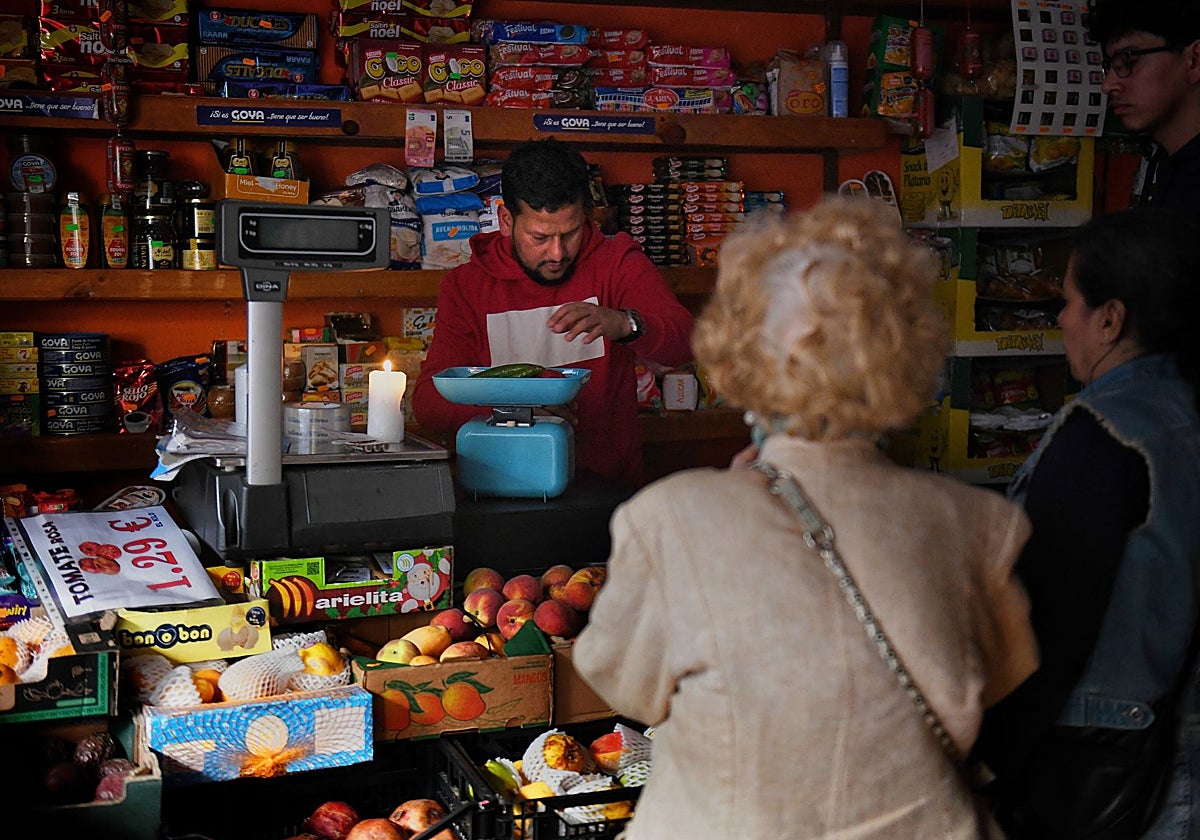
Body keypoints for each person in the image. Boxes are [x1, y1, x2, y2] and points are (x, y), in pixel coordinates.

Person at [573, 196, 1040, 839]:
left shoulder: (669, 518)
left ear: (741, 355)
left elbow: (625, 685)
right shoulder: (980, 525)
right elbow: (997, 685)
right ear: (903, 354)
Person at [973, 206, 1200, 838]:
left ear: (1111, 319)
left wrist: (993, 761)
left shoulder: (1106, 433)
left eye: (1069, 302)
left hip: (1117, 754)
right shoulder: (1183, 409)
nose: (1061, 319)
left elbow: (1048, 618)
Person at [410, 138, 695, 488]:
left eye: (571, 233)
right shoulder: (467, 286)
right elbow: (428, 402)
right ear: (504, 219)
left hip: (607, 489)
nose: (557, 253)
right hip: (502, 486)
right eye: (540, 237)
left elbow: (687, 342)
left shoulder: (616, 262)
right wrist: (514, 413)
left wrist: (627, 323)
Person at [1088, 0, 1200, 210]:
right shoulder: (1166, 163)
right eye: (1110, 66)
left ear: (1194, 60)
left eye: (1128, 61)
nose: (1108, 85)